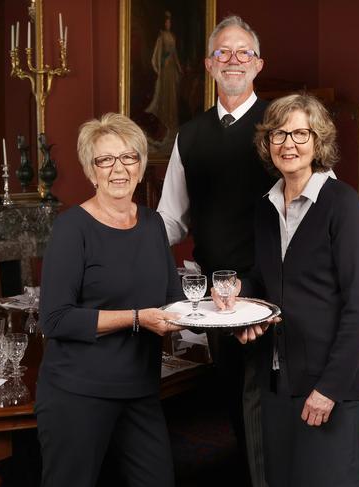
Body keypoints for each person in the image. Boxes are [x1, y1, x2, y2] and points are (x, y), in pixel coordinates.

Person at [220, 93, 359, 486]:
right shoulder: (266, 207)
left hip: (327, 384)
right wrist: (242, 290)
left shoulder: (343, 204)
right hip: (278, 379)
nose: (288, 143)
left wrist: (329, 388)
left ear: (318, 140)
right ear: (267, 142)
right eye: (279, 133)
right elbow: (266, 277)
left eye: (300, 133)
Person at [36, 113, 184, 487]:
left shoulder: (152, 225)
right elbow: (54, 319)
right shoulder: (72, 228)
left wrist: (220, 310)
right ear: (91, 171)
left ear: (141, 165)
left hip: (141, 388)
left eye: (128, 158)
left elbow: (173, 300)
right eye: (106, 160)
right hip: (77, 392)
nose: (119, 169)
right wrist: (135, 318)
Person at [157, 15, 273, 487]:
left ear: (258, 64)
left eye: (243, 51)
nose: (233, 60)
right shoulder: (190, 135)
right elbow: (170, 218)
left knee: (262, 400)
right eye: (222, 52)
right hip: (214, 297)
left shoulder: (279, 127)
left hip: (270, 287)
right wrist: (119, 238)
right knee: (233, 399)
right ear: (208, 65)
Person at [145, 11, 182, 144]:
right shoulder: (161, 36)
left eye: (169, 22)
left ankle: (172, 123)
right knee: (165, 94)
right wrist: (159, 67)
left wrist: (179, 67)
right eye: (166, 22)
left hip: (171, 69)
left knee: (172, 94)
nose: (168, 24)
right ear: (163, 23)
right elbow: (157, 53)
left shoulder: (172, 36)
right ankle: (164, 122)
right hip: (165, 69)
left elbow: (175, 54)